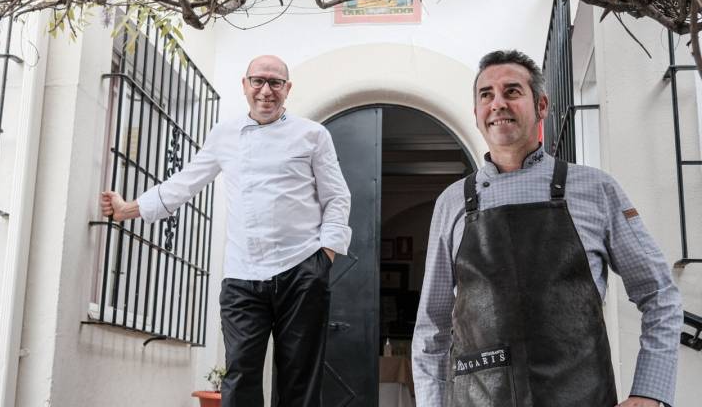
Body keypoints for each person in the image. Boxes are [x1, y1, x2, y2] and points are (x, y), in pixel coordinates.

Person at [412, 50, 682, 407]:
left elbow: (659, 294)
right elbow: (431, 328)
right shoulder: (452, 202)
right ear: (477, 114)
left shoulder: (596, 190)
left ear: (541, 106)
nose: (497, 104)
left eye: (512, 92)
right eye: (486, 95)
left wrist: (650, 392)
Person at [100, 55, 351, 407]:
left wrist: (324, 257)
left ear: (287, 89)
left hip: (301, 271)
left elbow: (337, 197)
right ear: (244, 85)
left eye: (275, 83)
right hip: (242, 276)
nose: (266, 91)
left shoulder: (313, 135)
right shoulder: (224, 135)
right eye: (258, 81)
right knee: (240, 374)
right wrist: (129, 209)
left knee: (299, 376)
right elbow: (185, 183)